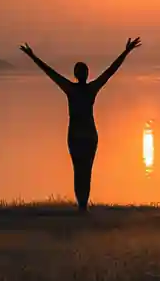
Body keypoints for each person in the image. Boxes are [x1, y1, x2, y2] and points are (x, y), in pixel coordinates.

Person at [18, 37, 142, 213]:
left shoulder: (72, 89)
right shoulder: (88, 89)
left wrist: (32, 56)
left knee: (80, 171)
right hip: (85, 136)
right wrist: (126, 52)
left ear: (77, 75)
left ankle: (82, 206)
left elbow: (50, 72)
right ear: (85, 74)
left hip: (80, 136)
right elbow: (109, 72)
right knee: (85, 171)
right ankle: (82, 206)